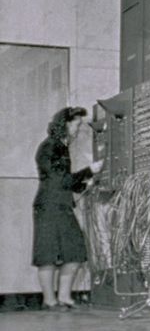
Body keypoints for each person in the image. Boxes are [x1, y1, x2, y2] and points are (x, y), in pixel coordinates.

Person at [32, 106, 103, 310]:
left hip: (60, 205)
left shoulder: (61, 147)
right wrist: (89, 170)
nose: (78, 129)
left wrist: (83, 184)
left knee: (75, 251)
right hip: (48, 206)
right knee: (48, 255)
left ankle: (64, 297)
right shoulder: (50, 147)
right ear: (65, 123)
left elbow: (66, 181)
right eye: (76, 124)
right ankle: (49, 301)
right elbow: (58, 179)